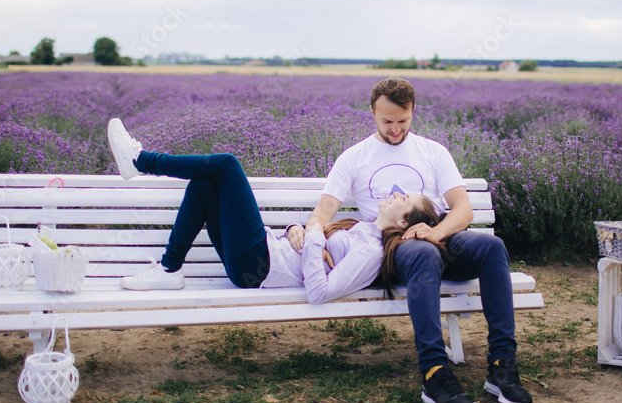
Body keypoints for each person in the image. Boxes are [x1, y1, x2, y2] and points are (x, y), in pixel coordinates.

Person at [291, 77, 533, 403]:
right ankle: (435, 374)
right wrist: (312, 236)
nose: (394, 129)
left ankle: (502, 367)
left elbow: (463, 211)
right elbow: (324, 211)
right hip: (394, 245)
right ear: (372, 113)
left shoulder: (433, 151)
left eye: (402, 121)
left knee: (492, 246)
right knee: (422, 253)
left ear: (413, 111)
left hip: (440, 234)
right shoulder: (354, 157)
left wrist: (436, 232)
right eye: (386, 121)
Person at [106, 118, 437, 304]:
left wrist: (314, 235)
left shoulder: (371, 253)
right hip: (264, 253)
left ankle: (139, 160)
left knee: (226, 165)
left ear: (404, 220)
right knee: (206, 186)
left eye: (404, 197)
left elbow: (320, 292)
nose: (395, 194)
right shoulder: (362, 227)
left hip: (259, 266)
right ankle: (169, 269)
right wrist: (297, 228)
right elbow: (312, 245)